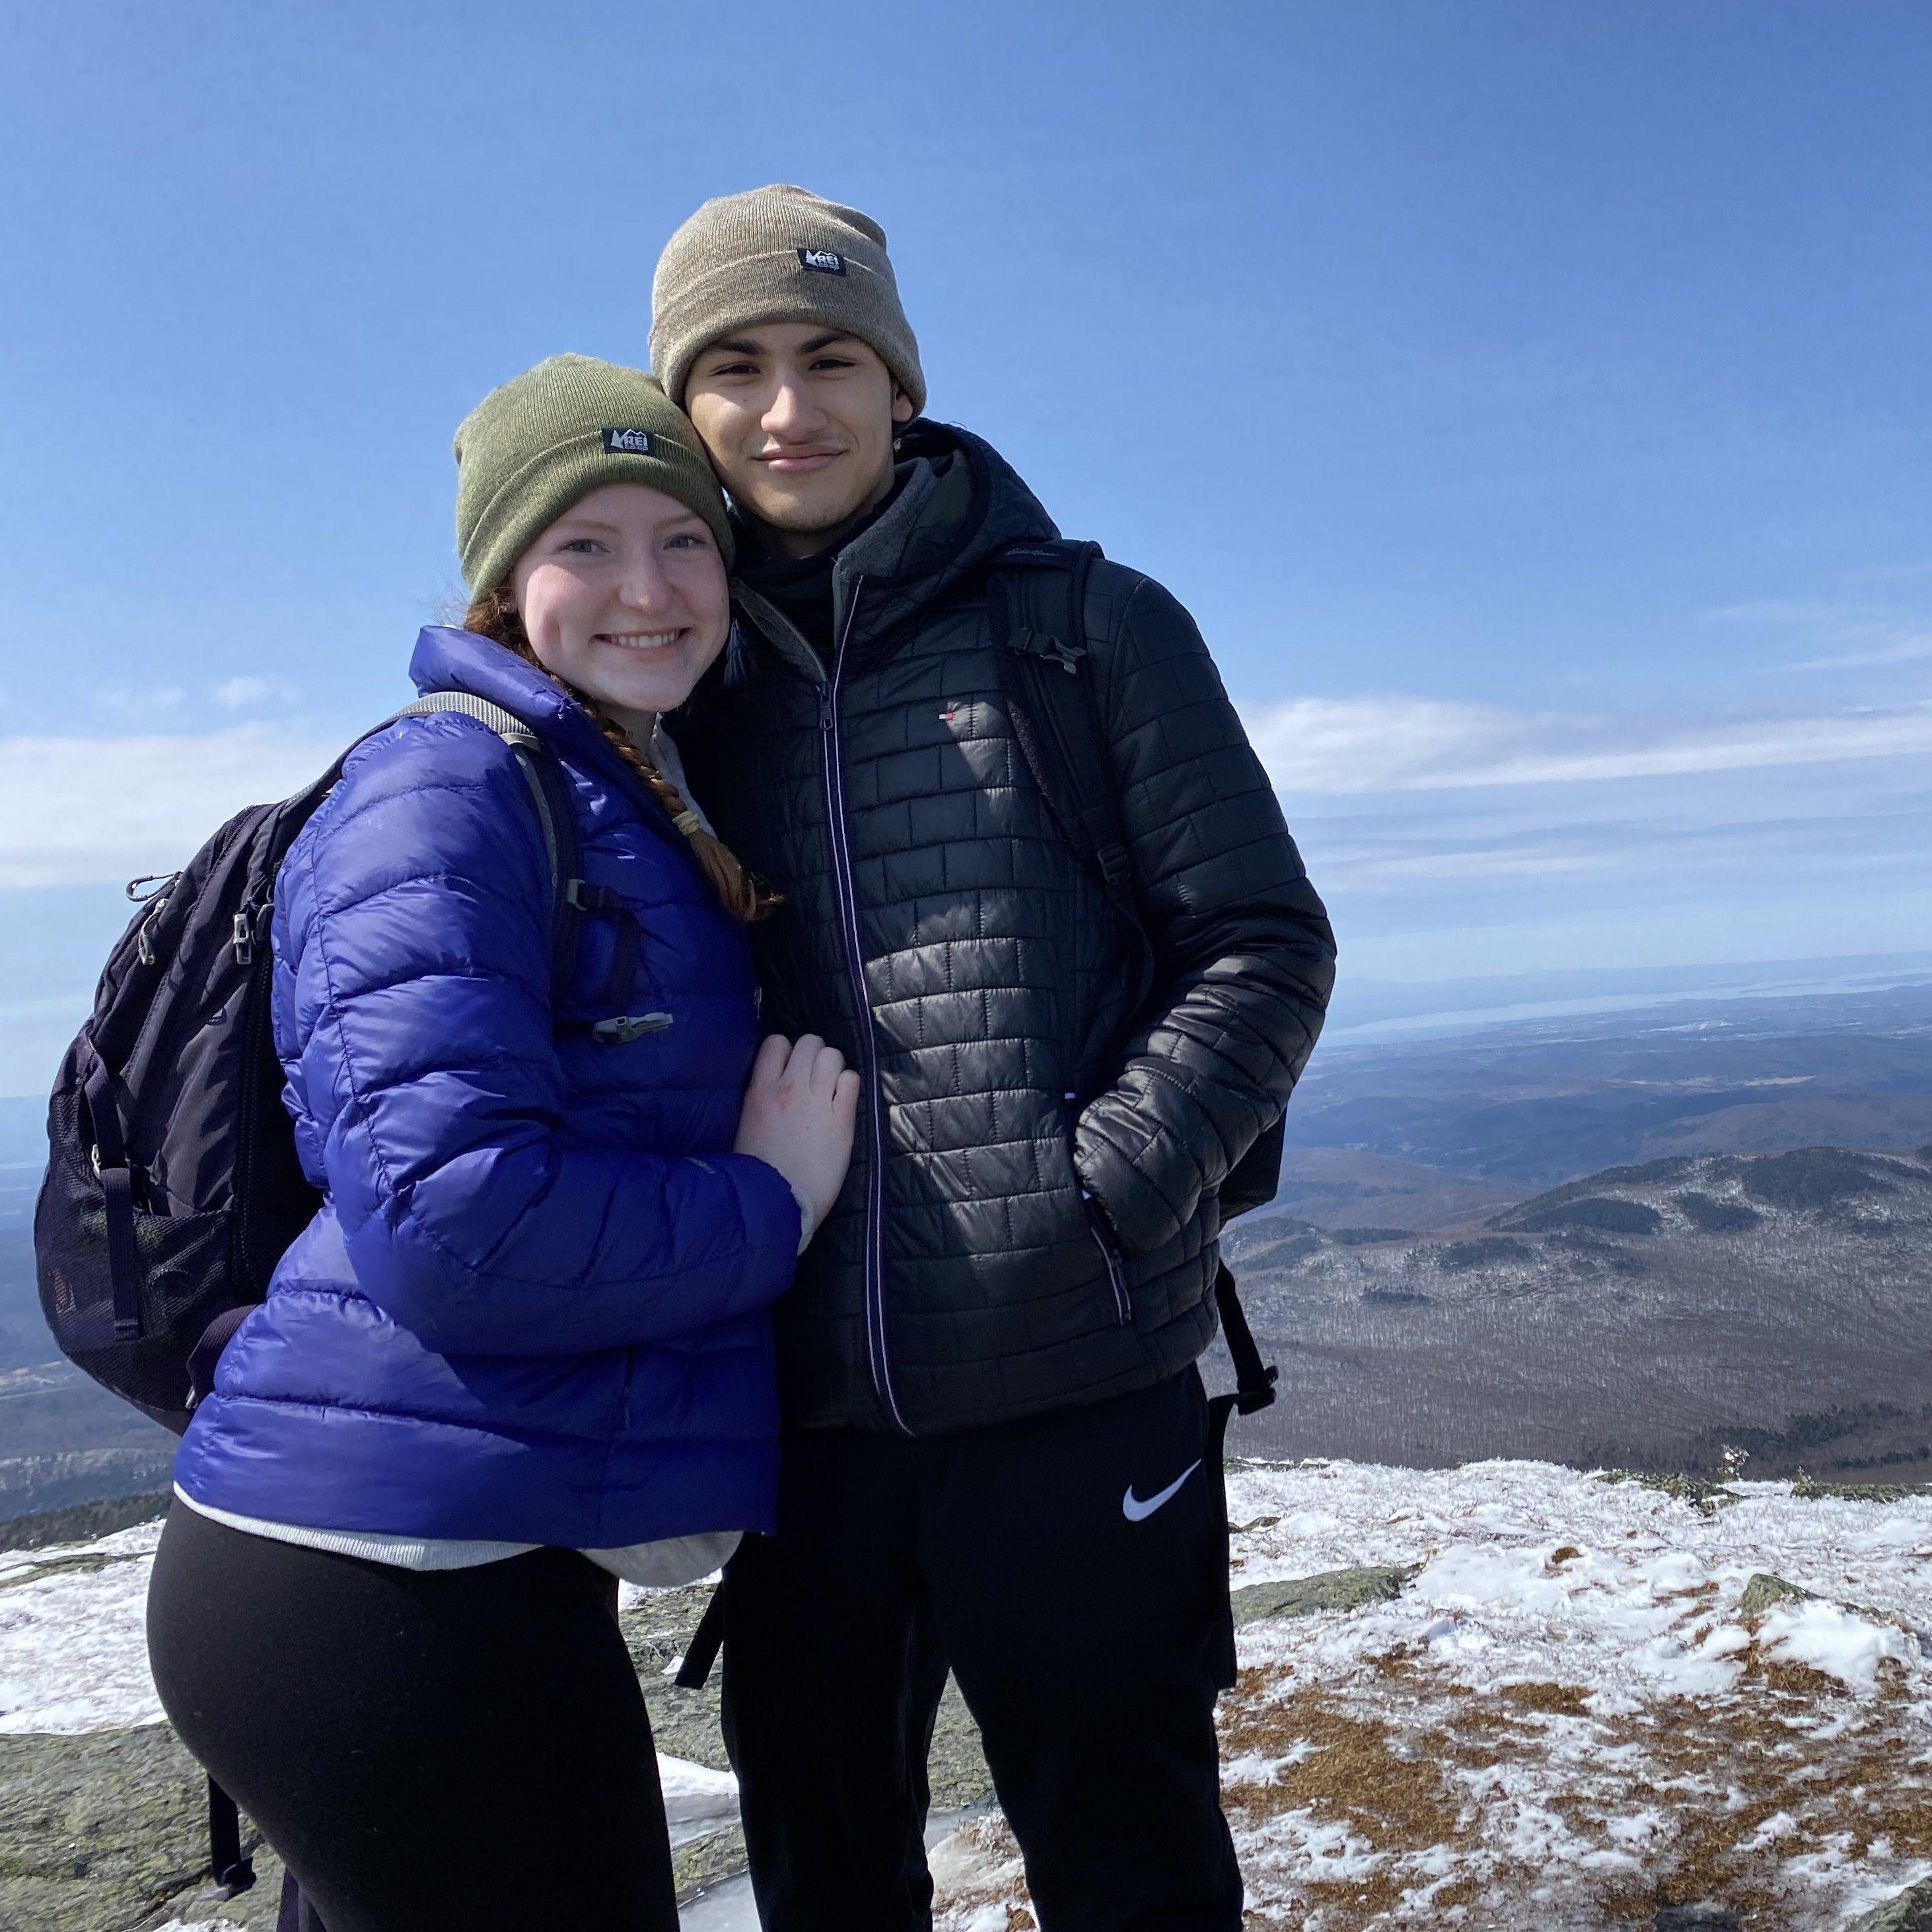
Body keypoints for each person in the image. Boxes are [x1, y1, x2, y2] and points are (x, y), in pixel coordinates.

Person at [655, 187, 1338, 1930]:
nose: (786, 407)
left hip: (1073, 1380)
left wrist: (1095, 1193)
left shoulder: (1084, 626)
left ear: (903, 385)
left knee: (1130, 1873)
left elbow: (1260, 941)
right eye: (732, 368)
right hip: (795, 1416)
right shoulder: (667, 677)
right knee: (824, 1880)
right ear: (685, 407)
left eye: (830, 357)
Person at [145, 354, 859, 1932]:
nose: (649, 587)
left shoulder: (614, 784)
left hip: (439, 1558)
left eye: (681, 539)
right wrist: (768, 1201)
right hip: (371, 1581)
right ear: (499, 578)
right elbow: (451, 1223)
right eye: (583, 545)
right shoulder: (449, 785)